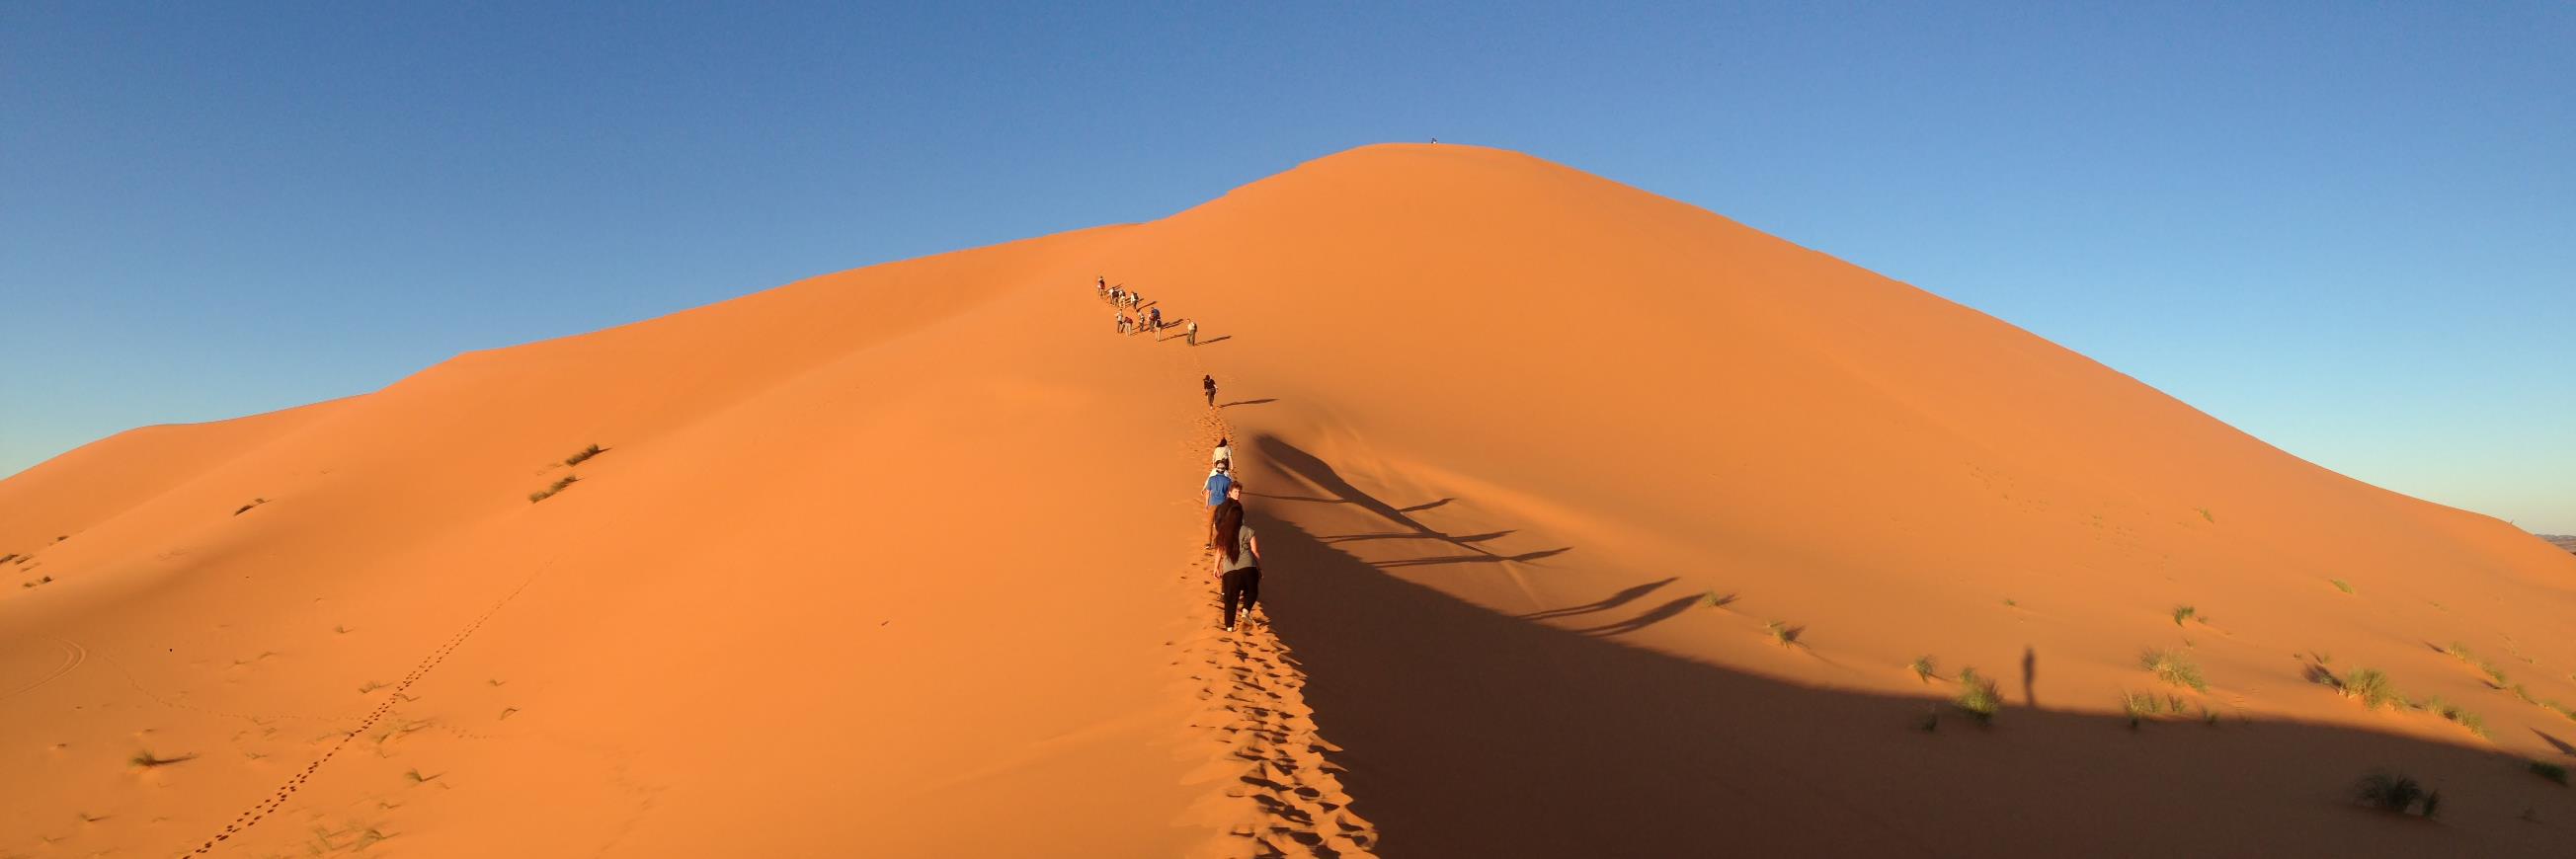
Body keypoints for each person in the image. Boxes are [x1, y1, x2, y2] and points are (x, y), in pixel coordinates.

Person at [1211, 483, 1260, 632]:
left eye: (1239, 492)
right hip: (1248, 567)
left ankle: (1229, 628)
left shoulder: (1223, 531)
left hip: (1229, 569)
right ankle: (1245, 611)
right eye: (1236, 492)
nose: (1238, 494)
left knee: (1230, 600)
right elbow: (1255, 552)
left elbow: (1219, 551)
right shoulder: (1248, 530)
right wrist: (1259, 568)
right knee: (1252, 591)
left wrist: (1216, 568)